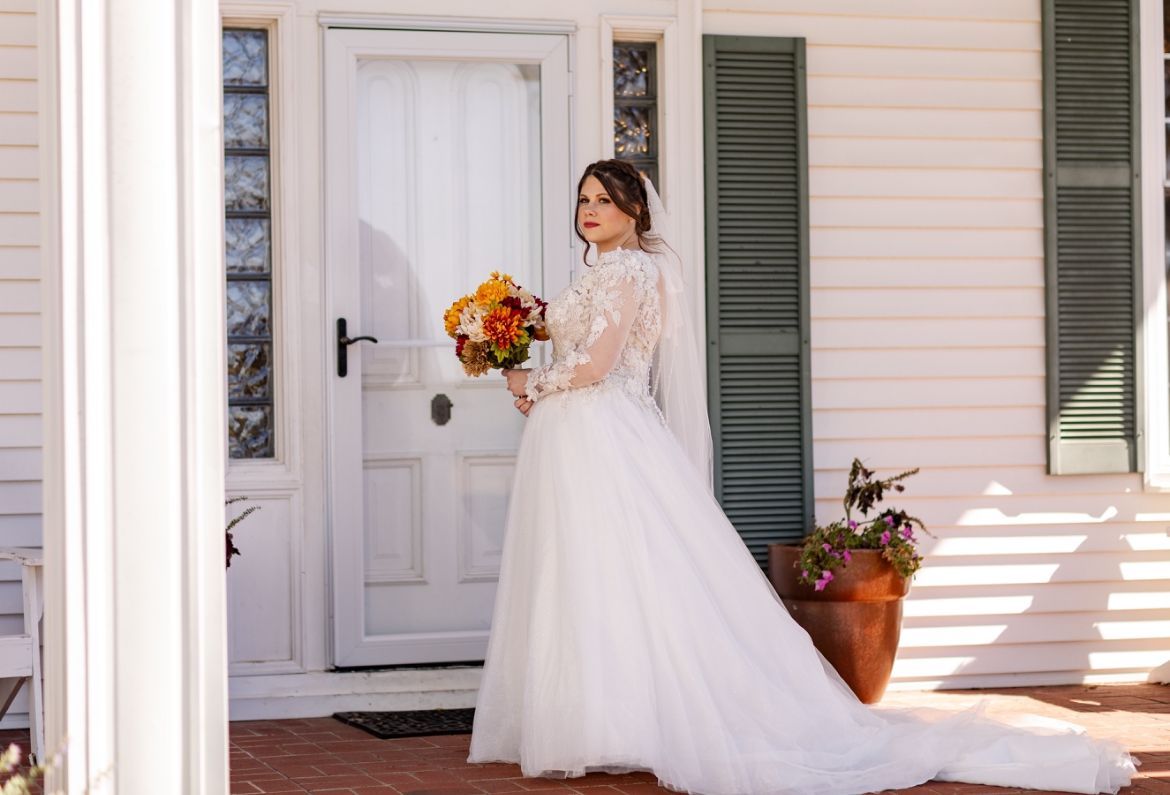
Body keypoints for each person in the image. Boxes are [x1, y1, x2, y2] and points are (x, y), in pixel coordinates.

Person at [465, 159, 1138, 795]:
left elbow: (598, 363)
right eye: (583, 199)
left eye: (603, 200)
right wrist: (498, 324)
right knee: (592, 576)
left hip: (605, 430)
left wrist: (532, 382)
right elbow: (559, 326)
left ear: (634, 209)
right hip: (583, 435)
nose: (589, 210)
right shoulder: (606, 270)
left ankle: (635, 717)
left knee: (626, 572)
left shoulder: (629, 272)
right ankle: (607, 718)